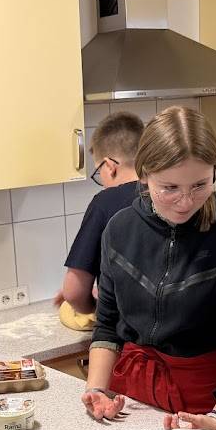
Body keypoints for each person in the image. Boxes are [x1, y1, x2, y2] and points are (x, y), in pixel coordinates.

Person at [81, 106, 216, 430]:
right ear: (144, 175)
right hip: (135, 402)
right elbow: (108, 326)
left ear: (215, 172)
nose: (186, 202)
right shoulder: (119, 231)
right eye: (169, 187)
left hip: (215, 405)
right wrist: (97, 391)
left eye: (200, 185)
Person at [56, 111, 144, 317]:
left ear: (110, 166)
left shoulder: (105, 203)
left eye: (98, 172)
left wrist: (98, 310)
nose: (102, 181)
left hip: (124, 332)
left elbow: (74, 292)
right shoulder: (169, 194)